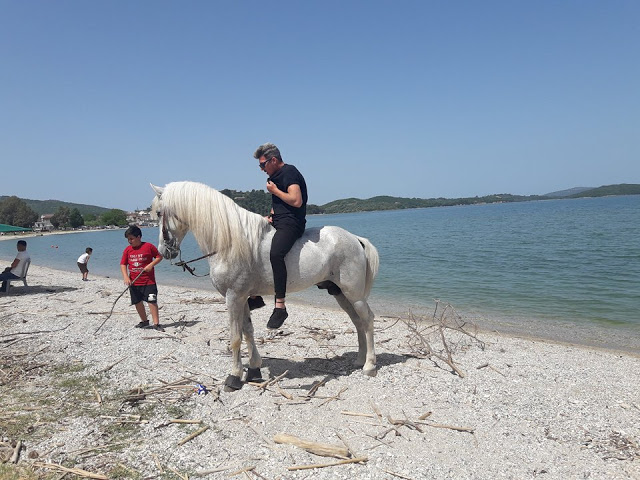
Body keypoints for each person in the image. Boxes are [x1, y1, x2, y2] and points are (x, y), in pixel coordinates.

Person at [252, 142, 308, 329]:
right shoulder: (276, 176)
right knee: (250, 245)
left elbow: (296, 200)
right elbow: (279, 204)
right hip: (278, 222)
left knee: (276, 254)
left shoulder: (289, 172)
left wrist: (275, 190)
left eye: (262, 165)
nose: (261, 169)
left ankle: (280, 306)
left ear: (273, 160)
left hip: (292, 224)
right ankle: (254, 296)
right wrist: (270, 215)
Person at [120, 226, 164, 331]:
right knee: (137, 302)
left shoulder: (148, 246)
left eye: (131, 239)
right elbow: (123, 264)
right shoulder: (128, 250)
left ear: (139, 237)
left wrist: (151, 265)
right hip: (134, 282)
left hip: (149, 282)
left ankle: (156, 324)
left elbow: (159, 257)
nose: (129, 241)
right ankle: (144, 321)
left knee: (152, 301)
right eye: (128, 239)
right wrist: (126, 277)